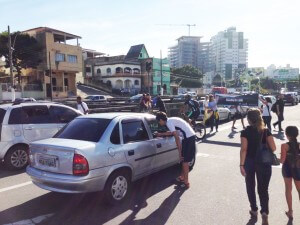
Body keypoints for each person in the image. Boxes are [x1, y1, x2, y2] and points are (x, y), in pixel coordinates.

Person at [240, 108, 276, 224]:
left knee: (250, 186)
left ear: (249, 119)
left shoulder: (245, 132)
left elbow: (244, 149)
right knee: (263, 189)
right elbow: (274, 148)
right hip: (264, 162)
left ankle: (254, 210)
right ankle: (264, 212)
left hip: (249, 162)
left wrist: (241, 164)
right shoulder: (266, 131)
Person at [155, 112, 196, 189]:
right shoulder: (170, 121)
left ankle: (186, 183)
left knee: (184, 161)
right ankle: (182, 178)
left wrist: (179, 152)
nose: (159, 123)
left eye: (158, 121)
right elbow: (173, 132)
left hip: (188, 138)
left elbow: (176, 138)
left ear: (161, 120)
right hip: (189, 136)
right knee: (184, 160)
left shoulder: (169, 123)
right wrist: (160, 134)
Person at [280, 126, 300, 219]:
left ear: (287, 135)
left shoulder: (284, 146)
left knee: (288, 189)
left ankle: (290, 211)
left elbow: (282, 161)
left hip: (287, 168)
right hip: (298, 168)